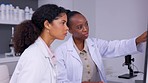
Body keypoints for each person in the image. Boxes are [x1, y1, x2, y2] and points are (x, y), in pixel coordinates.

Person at [55, 10, 147, 83]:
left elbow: (115, 46)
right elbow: (61, 81)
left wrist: (137, 40)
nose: (85, 29)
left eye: (86, 24)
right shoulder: (61, 52)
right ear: (69, 30)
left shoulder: (94, 44)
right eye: (79, 27)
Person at [9, 4, 68, 83]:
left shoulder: (47, 51)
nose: (67, 28)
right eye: (63, 23)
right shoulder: (35, 56)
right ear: (47, 24)